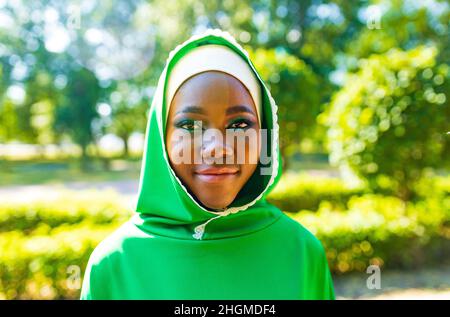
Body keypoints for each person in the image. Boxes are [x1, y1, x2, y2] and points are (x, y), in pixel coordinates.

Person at [80, 29, 335, 300]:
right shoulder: (115, 264)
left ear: (264, 138)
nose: (217, 148)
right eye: (190, 125)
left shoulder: (301, 252)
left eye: (239, 124)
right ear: (160, 140)